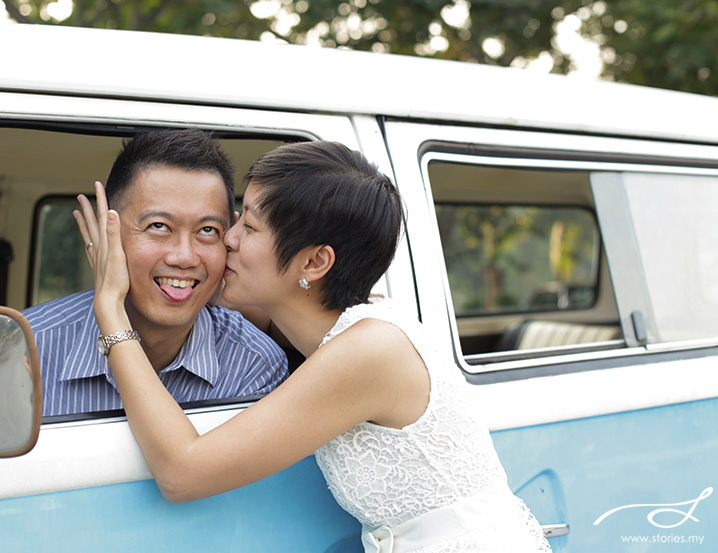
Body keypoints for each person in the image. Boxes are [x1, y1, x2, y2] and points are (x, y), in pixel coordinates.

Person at [78, 141, 552, 552]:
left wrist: (111, 308)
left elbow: (183, 473)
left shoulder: (370, 350)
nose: (228, 238)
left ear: (315, 261)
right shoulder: (326, 321)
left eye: (251, 227)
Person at [24, 129, 287, 417]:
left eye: (207, 231)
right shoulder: (27, 347)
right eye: (159, 226)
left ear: (232, 234)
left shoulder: (254, 363)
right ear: (105, 231)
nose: (184, 257)